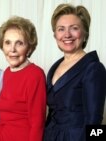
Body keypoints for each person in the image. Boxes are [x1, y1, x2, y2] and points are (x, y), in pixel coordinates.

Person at [44, 3, 106, 141]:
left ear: (84, 33)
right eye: (61, 29)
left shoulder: (93, 68)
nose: (67, 34)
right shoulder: (54, 67)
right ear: (55, 35)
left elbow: (95, 120)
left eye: (74, 28)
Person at [0, 16, 47, 141]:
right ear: (2, 46)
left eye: (19, 43)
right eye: (8, 43)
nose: (12, 49)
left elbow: (37, 122)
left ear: (29, 48)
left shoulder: (35, 74)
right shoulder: (6, 72)